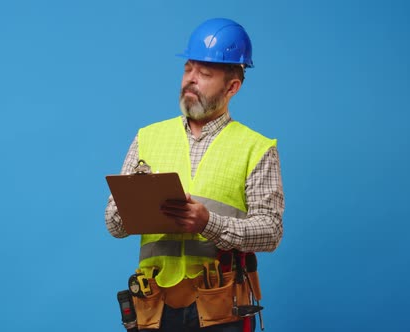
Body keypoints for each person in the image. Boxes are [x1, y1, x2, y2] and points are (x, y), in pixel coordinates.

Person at [105, 18, 284, 332]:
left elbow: (270, 231)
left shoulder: (256, 147)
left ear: (232, 87)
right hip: (155, 306)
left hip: (222, 307)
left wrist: (208, 223)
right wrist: (136, 202)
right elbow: (114, 224)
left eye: (205, 73)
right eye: (188, 69)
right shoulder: (148, 137)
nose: (191, 80)